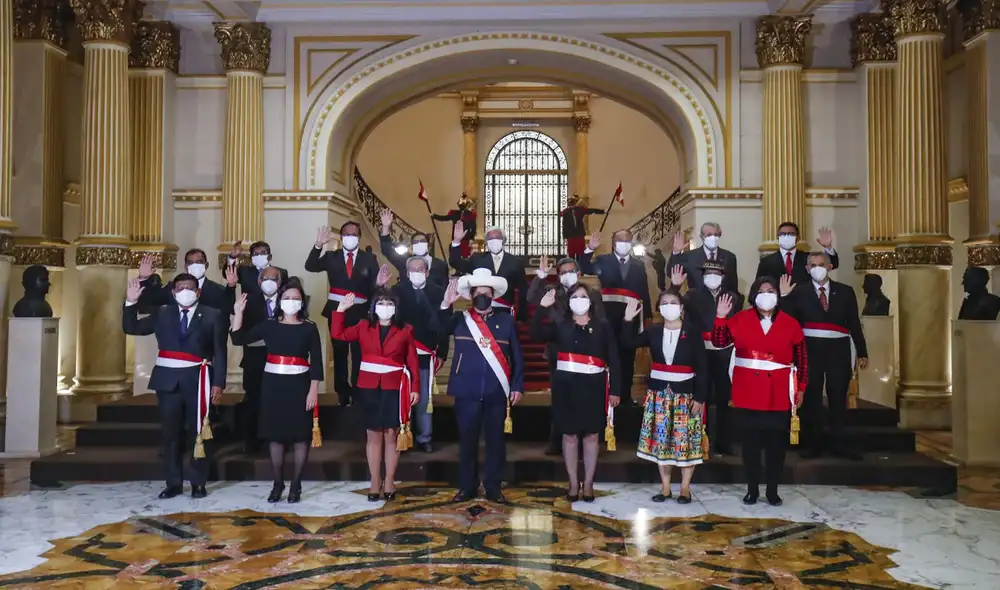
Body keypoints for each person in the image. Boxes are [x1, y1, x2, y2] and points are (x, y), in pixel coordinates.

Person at [122, 274, 227, 500]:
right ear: (173, 292)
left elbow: (220, 350)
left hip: (198, 380)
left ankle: (198, 482)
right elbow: (132, 327)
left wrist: (219, 383)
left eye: (190, 287)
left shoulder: (212, 315)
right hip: (167, 381)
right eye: (180, 287)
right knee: (171, 434)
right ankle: (173, 483)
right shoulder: (162, 313)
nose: (185, 291)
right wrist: (130, 302)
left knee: (198, 433)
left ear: (198, 292)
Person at [712, 276, 808, 506]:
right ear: (754, 295)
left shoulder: (790, 322)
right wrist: (721, 317)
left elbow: (802, 359)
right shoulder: (741, 319)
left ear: (777, 295)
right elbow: (719, 341)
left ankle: (773, 490)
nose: (766, 294)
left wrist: (801, 387)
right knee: (751, 445)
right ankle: (752, 489)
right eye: (762, 290)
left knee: (776, 445)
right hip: (748, 392)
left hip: (778, 392)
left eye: (771, 290)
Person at [436, 269, 524, 503]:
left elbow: (516, 355)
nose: (483, 297)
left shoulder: (505, 321)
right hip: (466, 390)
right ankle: (467, 486)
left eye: (487, 293)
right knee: (467, 441)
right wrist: (446, 304)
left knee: (496, 441)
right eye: (478, 293)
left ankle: (493, 487)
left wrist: (517, 385)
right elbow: (439, 329)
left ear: (493, 296)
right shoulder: (460, 320)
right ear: (471, 296)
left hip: (497, 391)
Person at [230, 279, 322, 504]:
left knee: (301, 436)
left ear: (302, 302)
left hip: (300, 384)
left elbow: (317, 362)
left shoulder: (309, 327)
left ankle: (296, 484)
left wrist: (313, 391)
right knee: (275, 436)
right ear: (280, 301)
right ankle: (278, 482)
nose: (291, 302)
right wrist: (238, 313)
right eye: (287, 298)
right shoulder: (269, 325)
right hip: (272, 384)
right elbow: (238, 338)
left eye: (296, 298)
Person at [532, 283, 620, 502]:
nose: (579, 300)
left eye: (583, 296)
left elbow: (614, 359)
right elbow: (535, 333)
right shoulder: (560, 324)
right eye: (575, 296)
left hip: (594, 386)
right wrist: (541, 309)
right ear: (568, 301)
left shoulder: (603, 326)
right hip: (566, 386)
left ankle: (588, 483)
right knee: (569, 435)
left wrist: (616, 390)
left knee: (591, 436)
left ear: (590, 301)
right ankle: (572, 482)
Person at [331, 288, 421, 502]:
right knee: (373, 435)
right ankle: (374, 480)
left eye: (390, 303)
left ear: (396, 308)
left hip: (393, 387)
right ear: (374, 306)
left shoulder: (405, 330)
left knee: (391, 435)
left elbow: (413, 361)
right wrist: (340, 310)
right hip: (368, 387)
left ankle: (389, 480)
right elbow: (338, 334)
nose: (385, 307)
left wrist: (415, 387)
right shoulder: (363, 326)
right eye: (381, 302)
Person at [623, 291, 708, 503]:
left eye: (673, 303)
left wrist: (699, 397)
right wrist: (627, 320)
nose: (669, 306)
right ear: (660, 308)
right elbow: (627, 344)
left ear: (681, 308)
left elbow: (704, 368)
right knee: (662, 442)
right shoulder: (653, 331)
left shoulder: (693, 332)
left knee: (685, 442)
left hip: (686, 396)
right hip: (659, 394)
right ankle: (665, 487)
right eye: (664, 303)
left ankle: (685, 488)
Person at [781, 252, 867, 460]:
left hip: (838, 349)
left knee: (838, 397)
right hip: (809, 350)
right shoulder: (798, 292)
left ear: (829, 267)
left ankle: (839, 444)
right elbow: (787, 323)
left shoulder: (845, 292)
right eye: (813, 265)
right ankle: (813, 444)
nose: (817, 268)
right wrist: (784, 298)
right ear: (807, 269)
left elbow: (854, 323)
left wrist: (862, 351)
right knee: (812, 398)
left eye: (821, 264)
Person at [667, 259, 744, 455]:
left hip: (724, 352)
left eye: (717, 273)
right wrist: (675, 286)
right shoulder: (692, 295)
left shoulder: (733, 298)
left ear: (723, 277)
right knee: (701, 397)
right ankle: (700, 438)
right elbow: (672, 304)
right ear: (702, 276)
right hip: (700, 351)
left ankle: (724, 442)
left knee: (723, 399)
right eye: (708, 273)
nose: (712, 277)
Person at [305, 222, 382, 406]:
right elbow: (310, 266)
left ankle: (358, 391)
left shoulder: (369, 259)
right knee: (339, 352)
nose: (349, 237)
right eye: (346, 234)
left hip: (361, 311)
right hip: (336, 310)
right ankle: (342, 391)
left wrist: (375, 306)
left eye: (353, 234)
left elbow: (374, 286)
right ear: (341, 237)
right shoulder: (332, 256)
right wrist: (318, 245)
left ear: (359, 237)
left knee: (359, 353)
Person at [377, 255, 448, 453]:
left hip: (426, 352)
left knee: (424, 398)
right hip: (399, 352)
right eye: (412, 270)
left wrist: (442, 351)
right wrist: (380, 287)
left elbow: (444, 325)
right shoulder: (396, 292)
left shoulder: (438, 292)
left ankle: (425, 438)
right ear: (407, 274)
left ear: (426, 272)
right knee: (401, 395)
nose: (416, 272)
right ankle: (402, 434)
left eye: (420, 269)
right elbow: (382, 315)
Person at [580, 229, 653, 405]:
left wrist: (648, 316)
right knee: (608, 357)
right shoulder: (603, 260)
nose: (624, 243)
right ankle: (606, 396)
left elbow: (644, 291)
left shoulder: (638, 264)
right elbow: (584, 267)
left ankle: (626, 398)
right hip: (608, 319)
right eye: (621, 240)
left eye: (628, 240)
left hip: (631, 320)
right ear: (613, 243)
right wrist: (589, 248)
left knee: (628, 360)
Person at [528, 255, 582, 456]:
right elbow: (531, 297)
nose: (568, 275)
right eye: (563, 272)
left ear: (578, 273)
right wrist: (541, 275)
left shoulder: (589, 293)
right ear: (558, 276)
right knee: (560, 398)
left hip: (583, 351)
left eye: (571, 271)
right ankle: (556, 440)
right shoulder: (552, 292)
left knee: (582, 397)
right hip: (557, 351)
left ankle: (582, 440)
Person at [234, 266, 284, 454]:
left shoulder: (288, 300)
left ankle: (278, 440)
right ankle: (252, 441)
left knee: (279, 401)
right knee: (253, 401)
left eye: (273, 279)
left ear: (279, 282)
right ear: (258, 281)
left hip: (280, 361)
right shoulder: (248, 302)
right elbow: (241, 333)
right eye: (265, 278)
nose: (269, 282)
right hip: (255, 359)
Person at [449, 222, 528, 321]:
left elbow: (523, 290)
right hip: (481, 310)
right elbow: (456, 263)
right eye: (490, 239)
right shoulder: (477, 258)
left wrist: (521, 315)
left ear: (503, 240)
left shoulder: (515, 262)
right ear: (486, 242)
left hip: (504, 312)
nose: (494, 241)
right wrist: (456, 241)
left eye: (497, 238)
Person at [136, 250, 237, 314]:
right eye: (190, 263)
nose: (195, 265)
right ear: (185, 266)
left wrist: (231, 286)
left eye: (199, 262)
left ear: (206, 265)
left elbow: (229, 311)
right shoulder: (172, 288)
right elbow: (145, 305)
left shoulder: (219, 290)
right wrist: (143, 278)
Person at [379, 210, 450, 287]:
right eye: (416, 242)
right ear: (412, 247)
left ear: (428, 245)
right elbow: (387, 250)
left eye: (422, 241)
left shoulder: (441, 265)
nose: (419, 243)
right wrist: (385, 227)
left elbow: (444, 290)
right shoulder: (404, 262)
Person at [755, 222, 839, 285]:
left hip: (804, 303)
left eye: (791, 234)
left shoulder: (808, 257)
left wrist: (828, 247)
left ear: (798, 238)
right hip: (779, 305)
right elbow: (758, 285)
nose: (786, 236)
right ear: (778, 237)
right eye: (783, 234)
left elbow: (833, 264)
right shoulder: (766, 262)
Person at [666, 223, 739, 293]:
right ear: (702, 236)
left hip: (723, 302)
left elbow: (733, 286)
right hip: (696, 301)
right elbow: (671, 273)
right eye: (709, 235)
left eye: (716, 235)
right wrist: (676, 252)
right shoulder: (690, 256)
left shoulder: (729, 257)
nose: (713, 238)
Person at [433, 193, 477, 261]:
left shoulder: (470, 215)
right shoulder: (455, 214)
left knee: (465, 257)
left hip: (466, 239)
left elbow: (473, 227)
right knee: (456, 256)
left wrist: (471, 238)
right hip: (456, 239)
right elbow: (445, 218)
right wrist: (434, 216)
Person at [560, 194, 604, 262]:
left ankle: (575, 267)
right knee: (578, 253)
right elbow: (591, 210)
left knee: (574, 254)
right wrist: (603, 211)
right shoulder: (577, 210)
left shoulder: (567, 211)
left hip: (572, 236)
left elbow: (560, 214)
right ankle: (578, 267)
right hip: (577, 235)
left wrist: (602, 211)